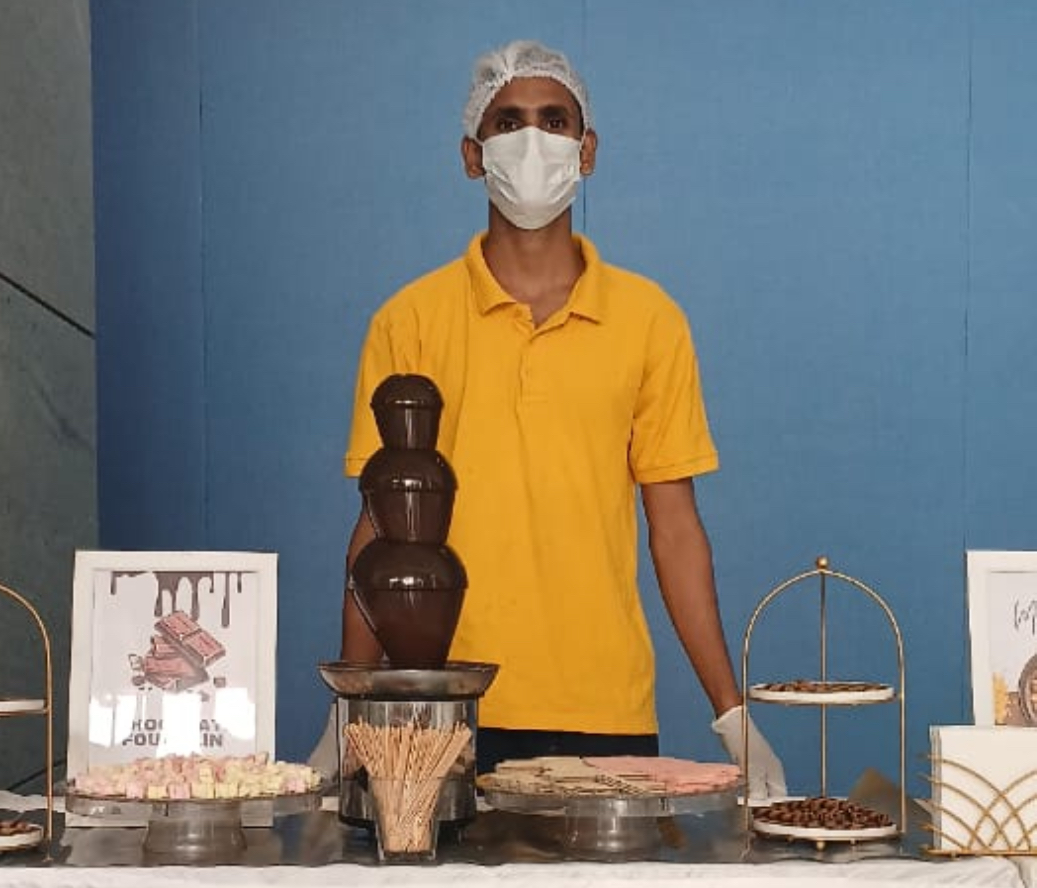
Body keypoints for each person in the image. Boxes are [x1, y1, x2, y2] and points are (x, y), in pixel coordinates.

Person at [315, 39, 785, 798]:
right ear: (473, 155)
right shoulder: (410, 322)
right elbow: (379, 527)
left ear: (586, 147)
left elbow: (675, 528)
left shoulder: (648, 322)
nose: (532, 141)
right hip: (437, 705)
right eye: (508, 122)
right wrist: (351, 708)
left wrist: (730, 712)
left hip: (604, 708)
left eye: (553, 119)